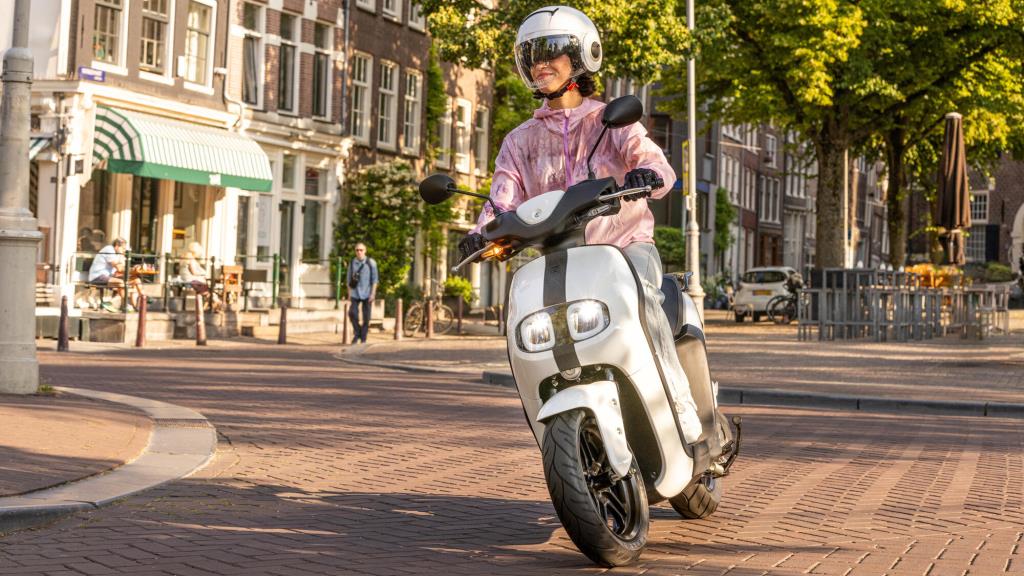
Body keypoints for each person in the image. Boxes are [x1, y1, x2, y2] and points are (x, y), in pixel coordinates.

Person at [459, 5, 704, 447]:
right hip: (559, 259)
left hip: (624, 247)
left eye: (550, 52)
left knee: (643, 303)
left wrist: (645, 174)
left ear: (580, 57)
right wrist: (481, 233)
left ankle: (679, 406)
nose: (540, 63)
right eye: (532, 55)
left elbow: (658, 166)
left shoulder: (612, 122)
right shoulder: (519, 141)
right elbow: (502, 198)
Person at [88, 237, 141, 312]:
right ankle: (122, 304)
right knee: (121, 283)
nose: (124, 250)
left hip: (109, 275)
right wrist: (132, 269)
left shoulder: (118, 254)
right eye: (123, 248)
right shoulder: (109, 249)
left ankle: (140, 301)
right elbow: (119, 268)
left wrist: (132, 268)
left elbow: (122, 268)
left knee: (136, 280)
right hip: (98, 276)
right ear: (117, 246)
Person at [347, 243, 378, 344]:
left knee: (366, 318)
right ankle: (357, 333)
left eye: (361, 250)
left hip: (367, 293)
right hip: (355, 293)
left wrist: (373, 294)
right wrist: (349, 294)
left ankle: (363, 337)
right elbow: (348, 280)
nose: (359, 252)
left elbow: (375, 280)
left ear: (365, 251)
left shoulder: (371, 263)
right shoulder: (352, 262)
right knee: (352, 314)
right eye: (357, 250)